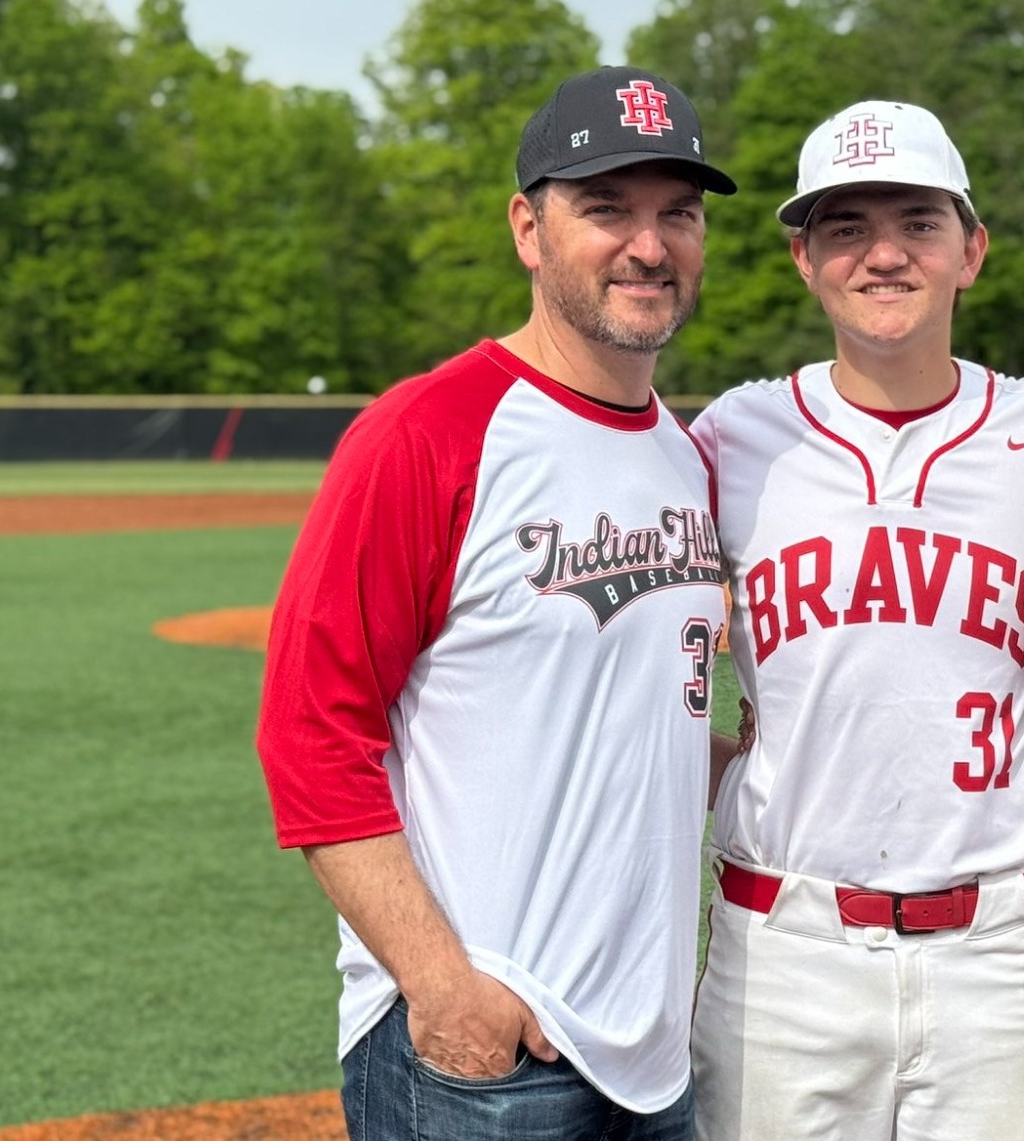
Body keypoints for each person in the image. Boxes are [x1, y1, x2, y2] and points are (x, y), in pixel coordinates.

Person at [255, 66, 738, 1141]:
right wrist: (445, 991)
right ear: (528, 227)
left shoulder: (685, 456)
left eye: (678, 214)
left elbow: (652, 715)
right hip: (482, 1057)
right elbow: (307, 733)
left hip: (651, 1055)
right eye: (605, 208)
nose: (648, 245)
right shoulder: (428, 432)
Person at [686, 101, 1024, 1141]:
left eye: (917, 221)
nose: (883, 253)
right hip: (782, 951)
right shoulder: (733, 436)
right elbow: (621, 668)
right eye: (845, 226)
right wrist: (728, 768)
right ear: (802, 257)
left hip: (994, 956)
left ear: (972, 250)